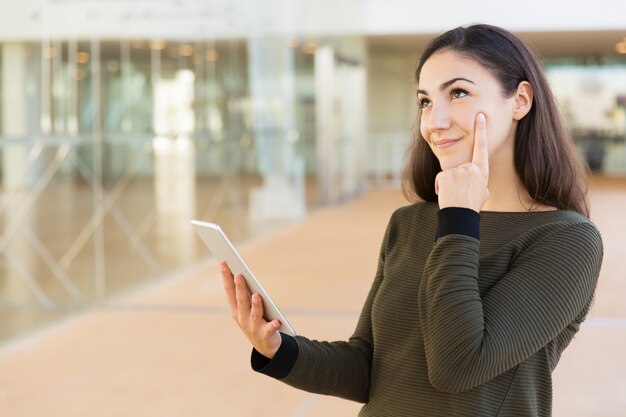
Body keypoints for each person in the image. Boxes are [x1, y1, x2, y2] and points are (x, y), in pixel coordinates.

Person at [220, 24, 603, 416]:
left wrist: (459, 218)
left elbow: (457, 365)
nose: (435, 121)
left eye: (458, 93)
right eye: (424, 101)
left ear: (520, 100)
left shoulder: (566, 240)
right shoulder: (410, 223)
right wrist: (278, 349)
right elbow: (370, 367)